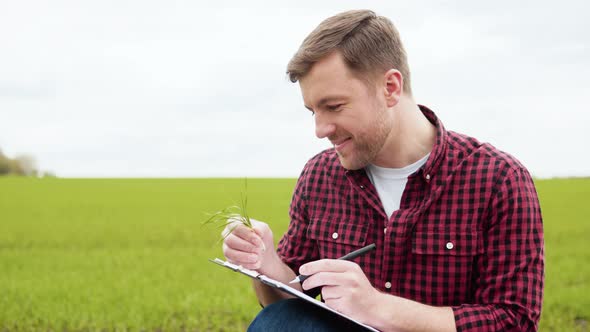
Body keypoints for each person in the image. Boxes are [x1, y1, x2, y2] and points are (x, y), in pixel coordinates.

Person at [222, 9, 544, 332]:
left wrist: (378, 308)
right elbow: (289, 308)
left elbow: (514, 322)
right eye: (312, 111)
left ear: (390, 87)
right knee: (275, 323)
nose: (320, 129)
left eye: (333, 106)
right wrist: (265, 266)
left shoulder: (499, 180)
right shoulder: (319, 176)